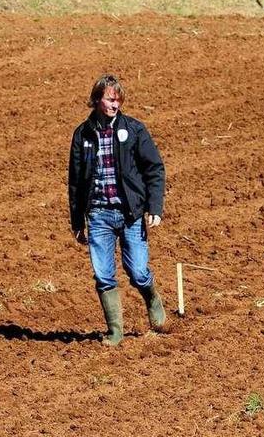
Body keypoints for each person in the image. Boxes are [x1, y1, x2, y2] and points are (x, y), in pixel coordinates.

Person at [68, 73, 167, 346]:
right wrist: (77, 221)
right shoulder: (83, 134)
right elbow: (75, 180)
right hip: (98, 214)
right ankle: (115, 331)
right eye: (110, 100)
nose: (115, 105)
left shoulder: (133, 130)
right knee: (103, 274)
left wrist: (154, 206)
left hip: (130, 214)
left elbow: (154, 169)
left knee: (137, 272)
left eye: (118, 101)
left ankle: (151, 297)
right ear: (97, 99)